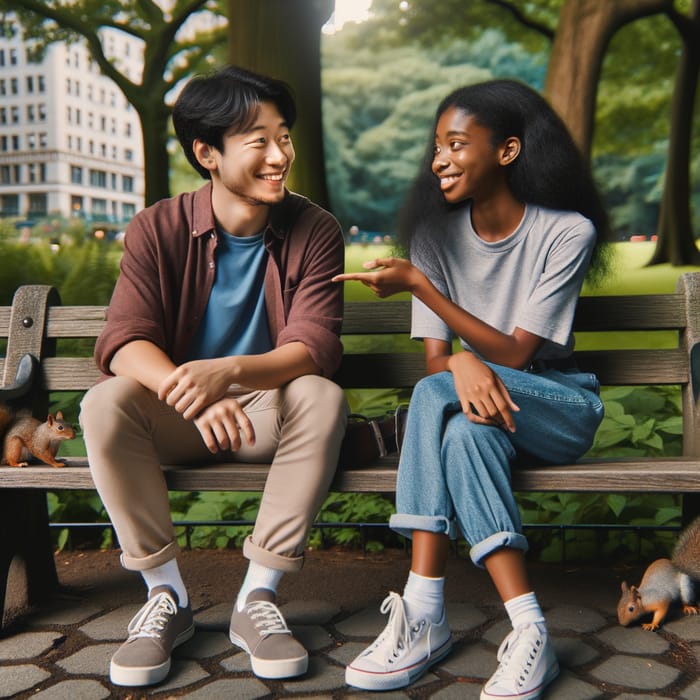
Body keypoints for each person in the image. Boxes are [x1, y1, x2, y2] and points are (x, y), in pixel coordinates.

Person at [333, 79, 610, 699]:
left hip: (556, 406)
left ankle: (423, 609)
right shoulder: (433, 238)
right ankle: (530, 630)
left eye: (456, 144)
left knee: (438, 401)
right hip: (476, 413)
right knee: (460, 434)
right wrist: (459, 364)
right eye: (436, 147)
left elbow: (515, 353)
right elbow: (439, 364)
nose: (439, 161)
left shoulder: (567, 232)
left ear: (507, 151)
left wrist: (424, 293)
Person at [80, 65, 348, 688]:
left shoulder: (315, 230)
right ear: (207, 153)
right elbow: (122, 341)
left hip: (267, 414)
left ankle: (258, 599)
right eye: (259, 140)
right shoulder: (158, 228)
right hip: (181, 416)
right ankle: (165, 598)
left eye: (283, 137)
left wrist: (228, 372)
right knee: (104, 404)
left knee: (321, 394)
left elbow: (316, 345)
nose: (280, 155)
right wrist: (194, 396)